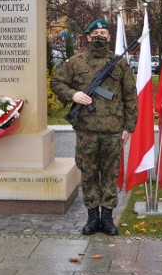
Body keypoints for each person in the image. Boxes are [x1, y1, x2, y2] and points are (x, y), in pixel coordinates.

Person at [50, 18, 137, 236]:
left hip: (113, 130)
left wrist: (129, 126)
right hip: (86, 129)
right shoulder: (76, 63)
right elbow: (56, 83)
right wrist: (74, 95)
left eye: (103, 33)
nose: (99, 36)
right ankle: (91, 217)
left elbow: (130, 97)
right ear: (88, 37)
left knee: (109, 173)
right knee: (88, 173)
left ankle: (107, 218)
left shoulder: (120, 64)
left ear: (109, 37)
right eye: (95, 32)